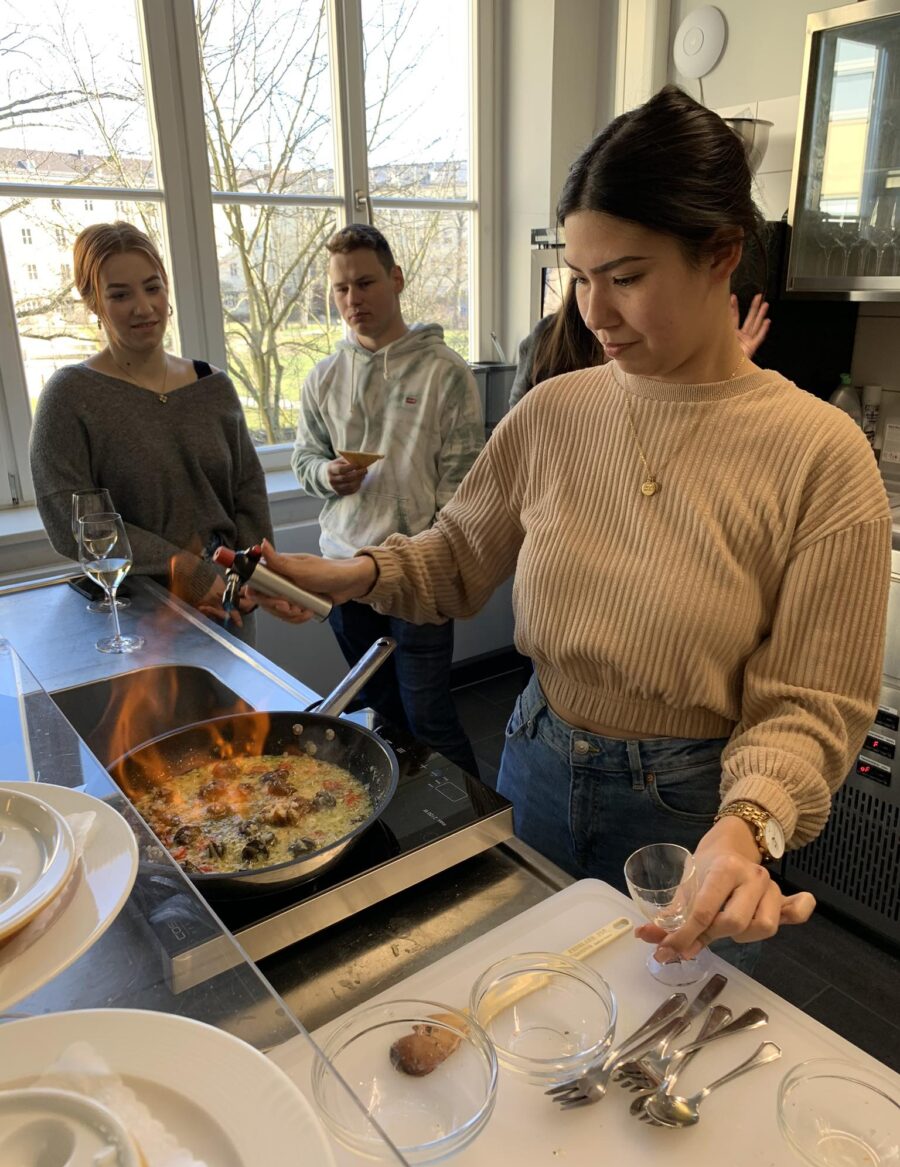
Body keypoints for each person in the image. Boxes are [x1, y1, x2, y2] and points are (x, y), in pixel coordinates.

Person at [247, 87, 890, 969]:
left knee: (662, 1049)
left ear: (721, 255)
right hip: (536, 757)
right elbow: (460, 555)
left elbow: (812, 700)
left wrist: (746, 829)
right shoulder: (556, 411)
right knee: (529, 1001)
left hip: (693, 811)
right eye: (580, 278)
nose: (594, 313)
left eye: (625, 277)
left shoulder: (819, 453)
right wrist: (355, 575)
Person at [291, 223, 484, 775]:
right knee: (379, 714)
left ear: (395, 280)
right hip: (342, 572)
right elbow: (304, 461)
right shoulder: (323, 379)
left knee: (430, 717)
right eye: (341, 289)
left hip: (417, 580)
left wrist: (438, 565)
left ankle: (479, 832)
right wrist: (326, 475)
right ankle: (408, 822)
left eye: (366, 283)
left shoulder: (445, 373)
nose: (354, 300)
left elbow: (463, 488)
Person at [29, 221, 271, 637]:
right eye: (120, 294)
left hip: (227, 606)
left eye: (152, 287)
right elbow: (76, 525)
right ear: (93, 303)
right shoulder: (69, 397)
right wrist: (188, 572)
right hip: (138, 617)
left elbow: (247, 493)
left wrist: (253, 574)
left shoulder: (214, 387)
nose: (143, 307)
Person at [508, 278, 771, 406]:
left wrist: (718, 374)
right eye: (582, 277)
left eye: (625, 279)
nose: (595, 319)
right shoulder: (546, 338)